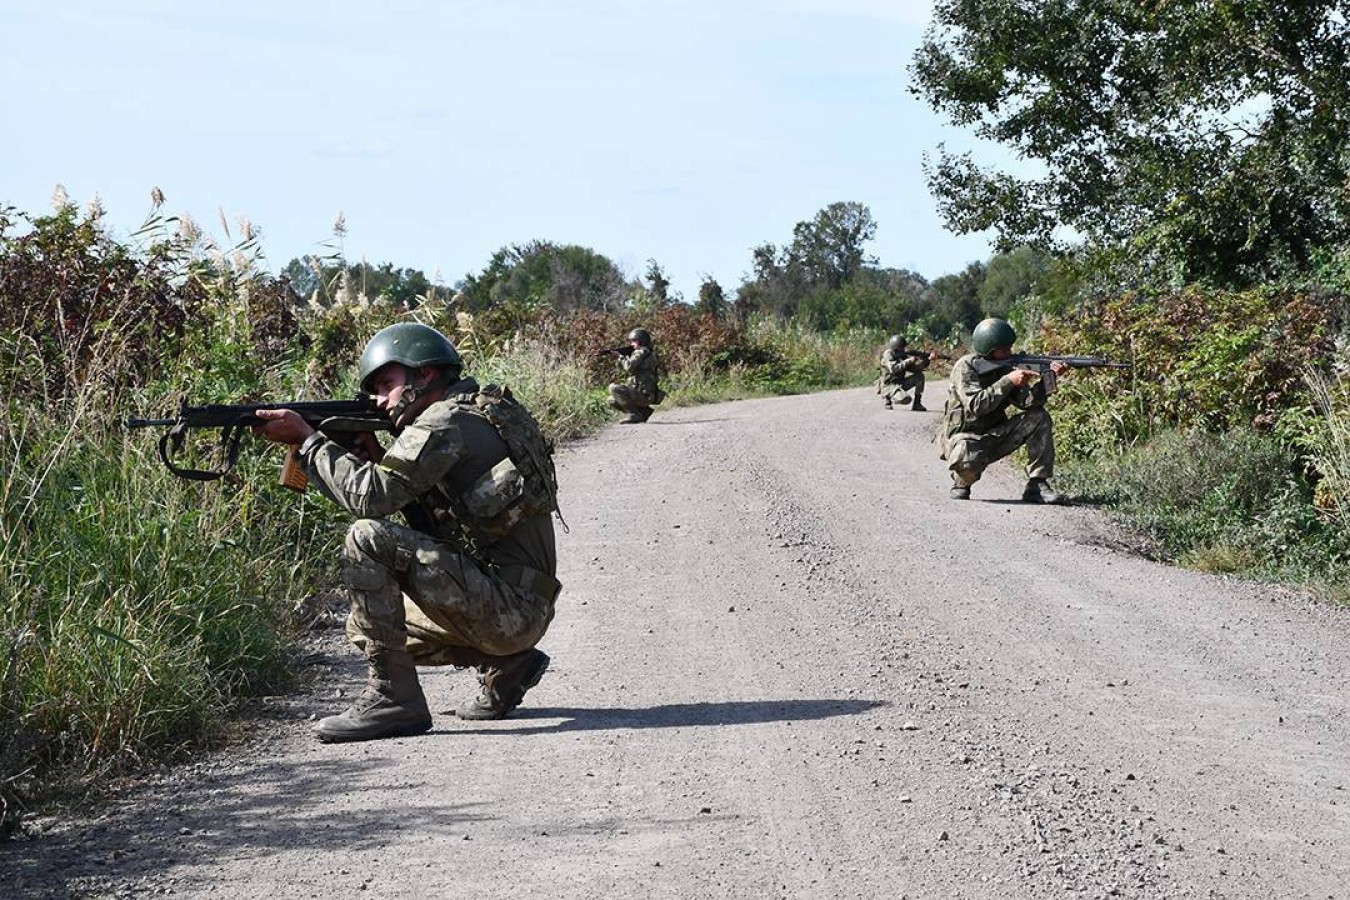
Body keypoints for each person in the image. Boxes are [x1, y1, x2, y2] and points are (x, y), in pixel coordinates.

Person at [253, 322, 561, 743]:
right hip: (518, 606)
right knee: (364, 626)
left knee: (366, 538)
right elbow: (442, 523)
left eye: (386, 384)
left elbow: (373, 500)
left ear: (425, 374)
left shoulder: (443, 422)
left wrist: (307, 442)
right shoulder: (477, 411)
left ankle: (393, 701)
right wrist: (376, 455)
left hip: (509, 611)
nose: (379, 401)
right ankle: (509, 664)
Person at [939, 317, 1069, 503]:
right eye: (1004, 349)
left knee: (1038, 417)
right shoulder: (966, 367)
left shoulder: (1007, 366)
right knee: (967, 455)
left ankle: (1037, 485)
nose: (1010, 352)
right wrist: (1008, 381)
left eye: (1010, 348)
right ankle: (962, 481)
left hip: (995, 435)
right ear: (988, 349)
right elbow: (976, 406)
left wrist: (1050, 379)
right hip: (965, 438)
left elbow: (1028, 403)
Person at [606, 327, 663, 424]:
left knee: (613, 388)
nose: (631, 344)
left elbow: (628, 367)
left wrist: (621, 357)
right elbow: (625, 369)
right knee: (612, 400)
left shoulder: (641, 352)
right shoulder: (647, 352)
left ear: (641, 341)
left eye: (634, 341)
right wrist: (622, 358)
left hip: (644, 395)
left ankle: (633, 414)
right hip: (644, 394)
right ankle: (643, 412)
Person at [878, 334, 935, 411]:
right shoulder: (888, 355)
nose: (904, 350)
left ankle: (917, 404)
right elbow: (894, 369)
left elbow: (915, 369)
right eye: (902, 348)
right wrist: (909, 360)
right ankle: (889, 398)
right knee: (906, 399)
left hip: (900, 383)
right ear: (896, 349)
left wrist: (927, 360)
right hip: (888, 385)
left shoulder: (902, 356)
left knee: (919, 377)